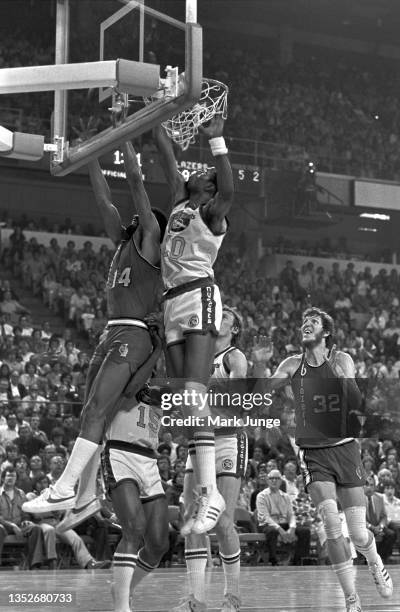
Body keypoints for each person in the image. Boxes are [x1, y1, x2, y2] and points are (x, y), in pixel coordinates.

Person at [22, 136, 165, 520]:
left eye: (142, 216)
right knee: (90, 413)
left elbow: (135, 181)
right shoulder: (122, 243)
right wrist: (89, 157)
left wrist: (123, 135)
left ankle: (65, 488)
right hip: (110, 333)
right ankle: (85, 497)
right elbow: (105, 202)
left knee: (98, 409)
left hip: (133, 335)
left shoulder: (151, 241)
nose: (134, 217)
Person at [268, 307, 393, 612]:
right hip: (313, 453)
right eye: (303, 322)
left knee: (360, 533)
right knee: (331, 525)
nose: (305, 326)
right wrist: (259, 366)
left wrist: (342, 381)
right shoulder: (291, 365)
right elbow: (260, 391)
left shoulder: (342, 360)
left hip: (346, 448)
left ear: (325, 332)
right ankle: (352, 598)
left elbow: (355, 402)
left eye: (312, 323)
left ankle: (374, 561)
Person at [155, 115, 234, 534]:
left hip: (198, 293)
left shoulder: (213, 212)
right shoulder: (178, 204)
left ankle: (211, 492)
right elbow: (165, 155)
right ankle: (208, 491)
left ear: (210, 187)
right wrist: (154, 118)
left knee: (193, 389)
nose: (196, 170)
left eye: (205, 172)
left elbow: (229, 187)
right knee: (185, 404)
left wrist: (216, 140)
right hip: (170, 302)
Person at [171, 306, 247, 612]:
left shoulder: (234, 356)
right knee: (191, 519)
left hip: (228, 440)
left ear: (235, 328)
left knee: (224, 522)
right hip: (199, 442)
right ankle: (197, 601)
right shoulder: (198, 358)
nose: (220, 316)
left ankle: (233, 599)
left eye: (227, 315)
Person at [102, 324, 169, 612]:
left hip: (149, 461)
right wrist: (158, 350)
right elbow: (131, 388)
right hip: (120, 453)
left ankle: (122, 588)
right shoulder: (119, 376)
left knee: (158, 544)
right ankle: (121, 607)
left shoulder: (158, 388)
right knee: (134, 528)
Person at [256, 468, 311, 566]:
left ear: (281, 481)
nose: (274, 480)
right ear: (268, 480)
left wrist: (292, 528)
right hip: (267, 524)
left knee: (305, 531)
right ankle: (273, 561)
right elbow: (265, 517)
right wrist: (280, 530)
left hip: (283, 523)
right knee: (272, 531)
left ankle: (298, 561)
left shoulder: (286, 496)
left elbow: (291, 514)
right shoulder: (262, 496)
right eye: (271, 478)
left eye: (277, 478)